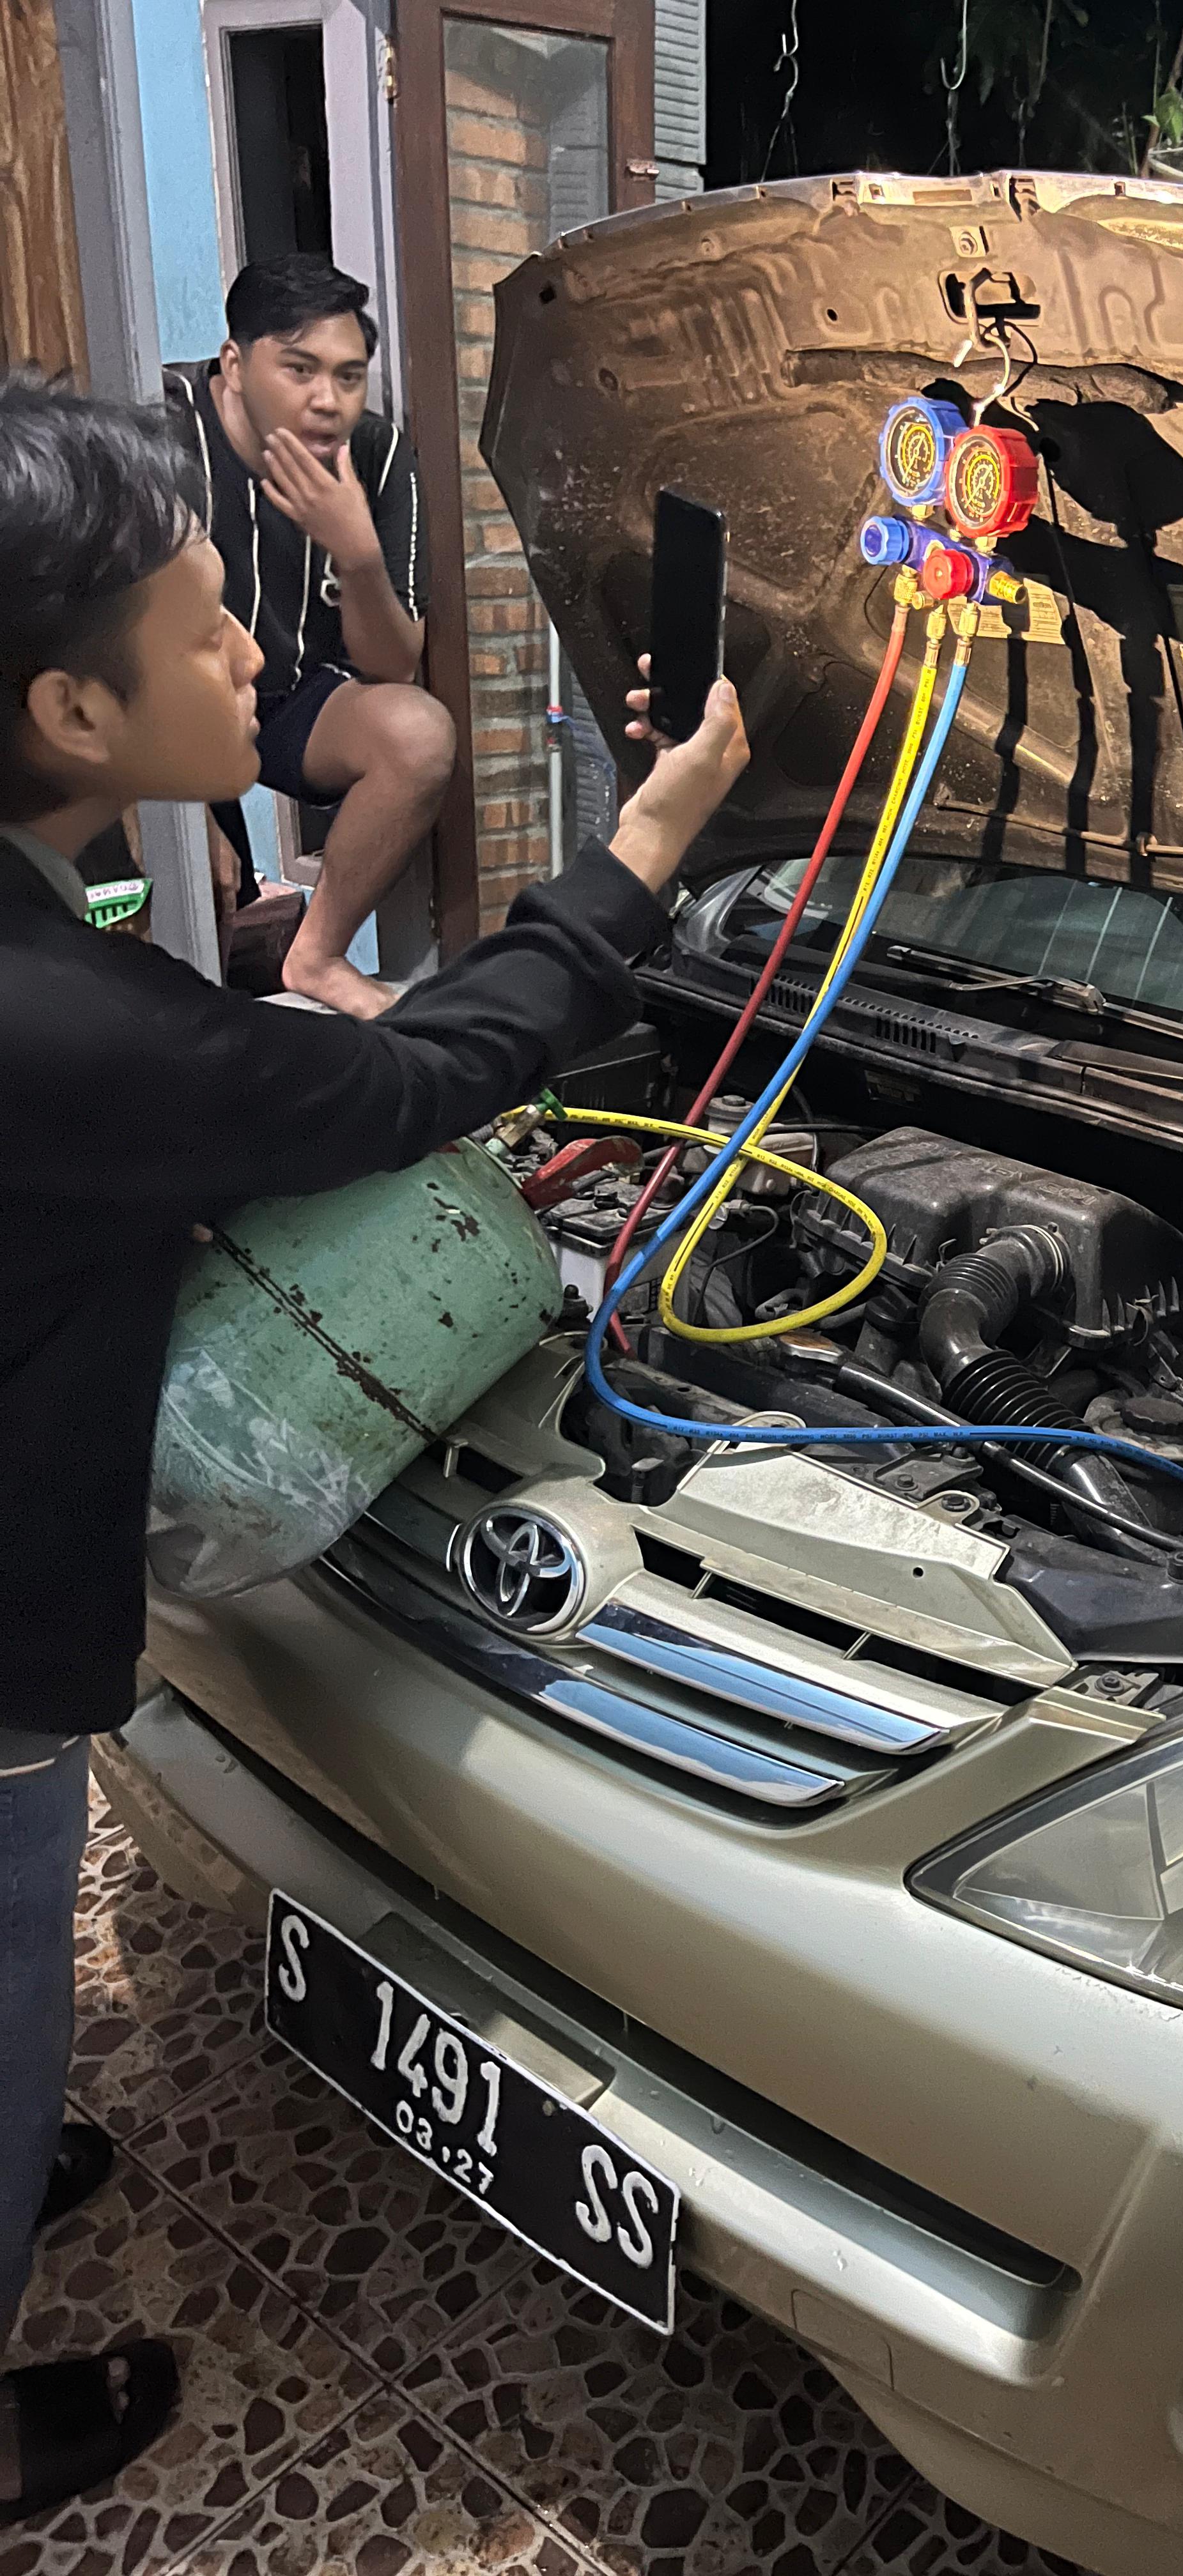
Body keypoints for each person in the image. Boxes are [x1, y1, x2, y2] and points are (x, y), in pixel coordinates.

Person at [0, 374, 746, 2525]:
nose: (258, 660)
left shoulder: (53, 943)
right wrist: (639, 852)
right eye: (213, 622)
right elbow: (412, 1088)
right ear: (66, 709)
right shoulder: (62, 1029)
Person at [166, 252, 454, 1018]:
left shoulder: (377, 455)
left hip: (291, 698)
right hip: (168, 704)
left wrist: (357, 555)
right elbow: (119, 649)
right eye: (299, 369)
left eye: (348, 375)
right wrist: (194, 813)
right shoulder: (160, 432)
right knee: (198, 891)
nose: (328, 400)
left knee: (418, 734)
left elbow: (393, 665)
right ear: (234, 362)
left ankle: (317, 955)